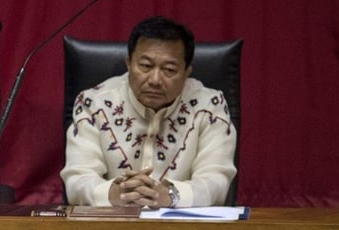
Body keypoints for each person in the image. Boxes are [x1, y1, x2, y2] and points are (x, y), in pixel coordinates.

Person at [61, 16, 237, 208]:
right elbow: (78, 180)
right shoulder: (93, 104)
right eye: (145, 66)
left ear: (187, 72)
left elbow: (216, 183)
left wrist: (170, 195)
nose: (154, 79)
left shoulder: (210, 106)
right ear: (129, 63)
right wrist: (116, 194)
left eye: (169, 69)